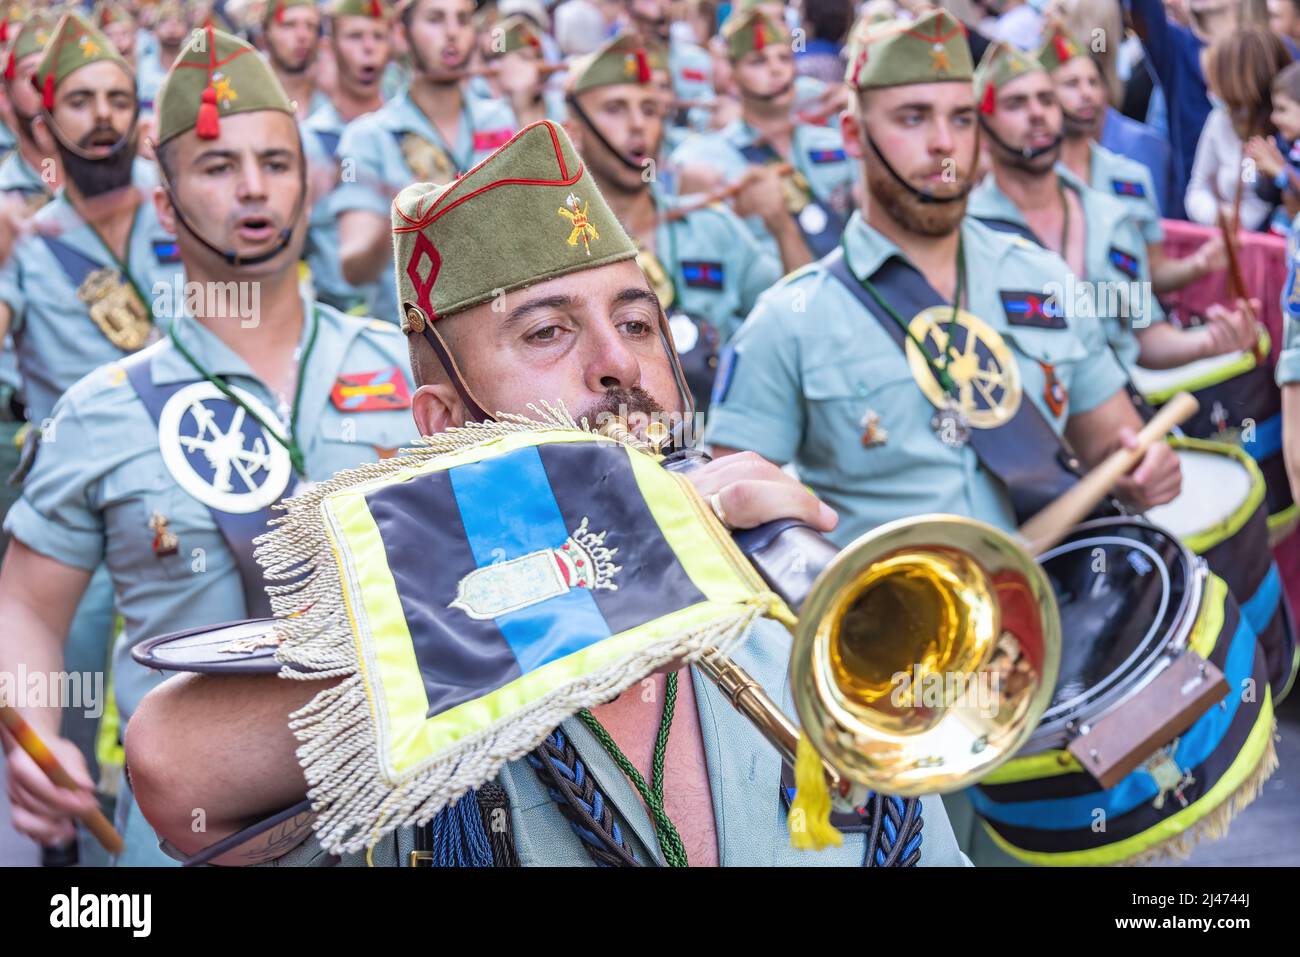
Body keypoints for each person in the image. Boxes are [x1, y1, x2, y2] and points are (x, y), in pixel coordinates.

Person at [122, 117, 970, 868]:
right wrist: (626, 563)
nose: (621, 363)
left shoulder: (790, 623)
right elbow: (170, 761)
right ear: (443, 421)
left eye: (638, 322)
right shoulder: (418, 654)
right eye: (547, 331)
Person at [701, 10, 1183, 863]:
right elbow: (733, 522)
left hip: (1046, 660)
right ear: (854, 130)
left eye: (961, 118)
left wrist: (1147, 465)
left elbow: (1117, 434)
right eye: (913, 118)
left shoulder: (1038, 277)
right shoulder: (791, 319)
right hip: (893, 691)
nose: (946, 146)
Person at [0, 25, 419, 866]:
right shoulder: (101, 409)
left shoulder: (408, 371)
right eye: (219, 167)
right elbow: (26, 608)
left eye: (276, 162)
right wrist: (37, 737)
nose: (253, 190)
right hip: (185, 839)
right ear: (166, 202)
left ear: (309, 184)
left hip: (402, 821)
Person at [968, 40, 1256, 372]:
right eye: (1016, 104)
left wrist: (1209, 341)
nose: (1036, 113)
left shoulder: (1112, 219)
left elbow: (1144, 335)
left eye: (1046, 100)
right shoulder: (966, 228)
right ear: (983, 125)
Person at [564, 32, 786, 415]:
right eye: (615, 109)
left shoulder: (713, 227)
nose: (637, 125)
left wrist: (781, 224)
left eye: (649, 110)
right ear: (575, 133)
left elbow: (789, 324)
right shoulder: (559, 248)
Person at [331, 0, 516, 324]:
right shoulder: (370, 136)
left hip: (500, 326)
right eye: (435, 19)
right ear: (402, 34)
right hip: (413, 340)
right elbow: (354, 269)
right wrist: (404, 213)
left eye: (462, 19)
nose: (452, 33)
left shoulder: (498, 118)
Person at [1044, 22, 1223, 295]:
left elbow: (1151, 272)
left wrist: (1198, 265)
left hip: (1126, 328)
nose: (1087, 93)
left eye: (1093, 82)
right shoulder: (1033, 177)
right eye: (1071, 84)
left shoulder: (1131, 174)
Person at [670, 8, 856, 261]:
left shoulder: (836, 144)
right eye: (758, 61)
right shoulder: (703, 157)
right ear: (733, 80)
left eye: (783, 58)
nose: (776, 69)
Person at [301, 0, 393, 314]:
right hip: (339, 314)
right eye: (355, 37)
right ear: (329, 48)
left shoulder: (409, 132)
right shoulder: (307, 140)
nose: (369, 48)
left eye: (378, 37)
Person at [1184, 26, 1294, 233]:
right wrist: (1217, 215)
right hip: (1227, 244)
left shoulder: (1286, 136)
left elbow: (1265, 197)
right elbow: (1197, 188)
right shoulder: (1219, 120)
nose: (1212, 93)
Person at [262, 0, 330, 120]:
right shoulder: (248, 85)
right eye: (289, 25)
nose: (302, 35)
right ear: (267, 30)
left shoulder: (331, 90)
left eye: (311, 26)